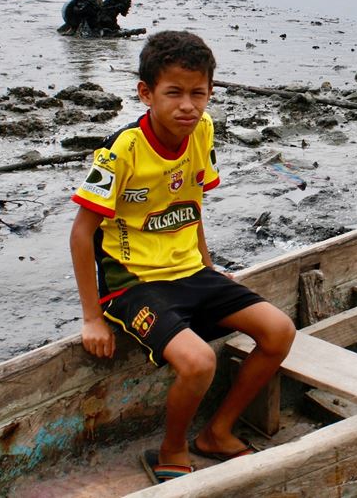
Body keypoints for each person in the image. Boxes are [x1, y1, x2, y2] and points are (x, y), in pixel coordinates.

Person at [68, 31, 295, 484]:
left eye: (199, 93)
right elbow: (80, 233)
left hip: (189, 270)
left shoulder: (202, 131)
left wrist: (208, 268)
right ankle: (171, 449)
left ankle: (217, 432)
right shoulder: (122, 151)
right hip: (132, 284)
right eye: (174, 93)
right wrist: (92, 317)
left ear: (210, 92)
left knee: (279, 330)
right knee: (199, 362)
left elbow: (190, 207)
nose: (188, 106)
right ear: (146, 93)